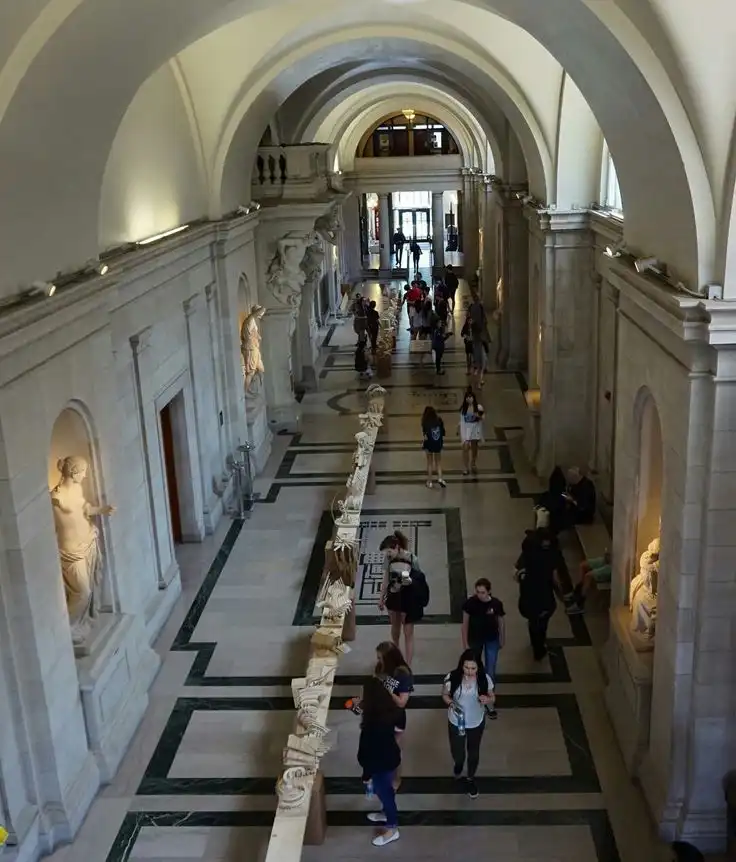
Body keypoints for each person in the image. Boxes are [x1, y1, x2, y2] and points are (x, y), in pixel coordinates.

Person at [441, 649, 495, 798]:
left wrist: (488, 699)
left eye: (473, 668)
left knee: (474, 752)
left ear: (478, 667)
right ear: (461, 665)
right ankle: (458, 764)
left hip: (475, 722)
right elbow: (444, 695)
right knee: (457, 751)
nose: (469, 671)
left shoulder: (484, 679)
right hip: (456, 721)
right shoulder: (452, 677)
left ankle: (470, 778)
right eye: (466, 667)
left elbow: (492, 696)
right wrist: (452, 703)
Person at [358, 675, 402, 846]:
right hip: (391, 758)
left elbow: (368, 752)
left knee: (385, 794)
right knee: (386, 791)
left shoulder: (372, 723)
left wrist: (366, 774)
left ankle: (392, 829)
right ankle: (385, 813)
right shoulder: (388, 712)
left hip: (380, 764)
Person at [378, 531, 427, 664]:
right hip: (394, 597)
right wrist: (381, 597)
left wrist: (408, 581)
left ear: (397, 547)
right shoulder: (388, 559)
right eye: (386, 553)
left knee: (408, 633)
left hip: (409, 598)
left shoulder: (412, 558)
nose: (388, 555)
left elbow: (419, 579)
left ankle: (408, 664)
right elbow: (386, 579)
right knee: (395, 629)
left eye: (389, 551)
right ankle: (396, 656)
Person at [515, 528, 562, 660]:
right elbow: (555, 578)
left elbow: (518, 571)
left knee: (534, 620)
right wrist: (560, 593)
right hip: (543, 594)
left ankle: (536, 644)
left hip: (529, 593)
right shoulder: (551, 555)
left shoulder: (528, 552)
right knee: (542, 621)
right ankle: (539, 645)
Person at [461, 578, 505, 716]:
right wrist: (465, 644)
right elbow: (465, 624)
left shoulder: (496, 604)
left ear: (489, 591)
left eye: (483, 592)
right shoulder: (470, 604)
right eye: (478, 592)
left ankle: (489, 699)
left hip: (491, 639)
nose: (480, 595)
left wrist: (502, 638)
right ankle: (476, 694)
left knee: (490, 669)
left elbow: (500, 621)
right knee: (475, 668)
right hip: (475, 640)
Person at [374, 641, 413, 790]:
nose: (378, 661)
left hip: (395, 717)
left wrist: (389, 692)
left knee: (393, 749)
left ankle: (395, 778)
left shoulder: (402, 674)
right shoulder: (381, 668)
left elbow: (402, 702)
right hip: (382, 714)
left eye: (380, 658)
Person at [565, 549, 611, 614]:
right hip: (609, 559)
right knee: (583, 565)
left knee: (588, 576)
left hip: (613, 567)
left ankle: (580, 604)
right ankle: (577, 592)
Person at [459, 387, 484, 475]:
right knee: (465, 448)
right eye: (467, 397)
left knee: (474, 448)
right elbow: (462, 421)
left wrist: (478, 416)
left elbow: (483, 418)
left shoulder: (478, 407)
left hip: (475, 430)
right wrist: (462, 434)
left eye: (470, 397)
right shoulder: (463, 409)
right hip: (466, 430)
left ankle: (473, 463)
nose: (469, 399)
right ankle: (466, 467)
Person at [421, 405, 447, 488]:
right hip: (438, 443)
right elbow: (443, 432)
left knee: (429, 463)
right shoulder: (439, 420)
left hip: (429, 444)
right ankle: (440, 478)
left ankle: (429, 481)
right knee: (438, 462)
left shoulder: (425, 422)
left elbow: (425, 435)